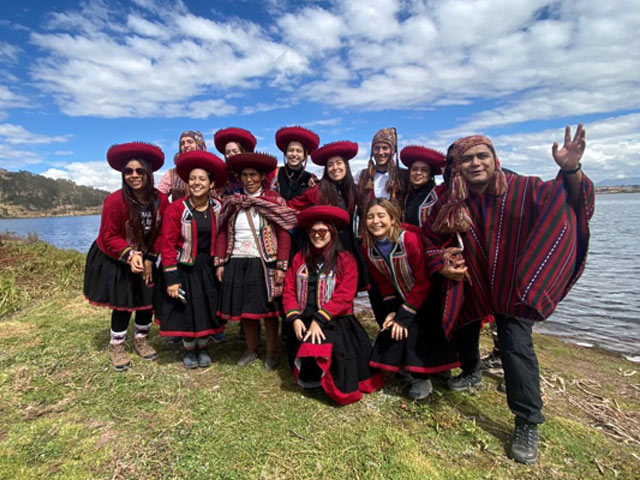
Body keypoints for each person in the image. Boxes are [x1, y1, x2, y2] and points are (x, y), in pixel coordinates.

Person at [422, 125, 594, 464]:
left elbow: (571, 203)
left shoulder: (524, 188)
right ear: (457, 167)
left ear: (494, 159)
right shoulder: (450, 200)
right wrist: (442, 262)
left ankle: (527, 420)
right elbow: (430, 238)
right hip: (474, 281)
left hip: (516, 286)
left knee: (516, 347)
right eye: (467, 159)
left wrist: (571, 169)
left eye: (482, 156)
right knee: (463, 325)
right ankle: (471, 373)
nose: (475, 163)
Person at [283, 205, 384, 405]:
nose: (317, 236)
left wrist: (319, 319)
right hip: (303, 318)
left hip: (335, 319)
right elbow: (288, 290)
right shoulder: (299, 258)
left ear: (332, 233)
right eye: (313, 232)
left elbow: (345, 295)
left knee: (335, 356)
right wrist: (294, 318)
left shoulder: (345, 260)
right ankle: (311, 375)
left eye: (322, 231)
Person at [84, 142, 169, 371]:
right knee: (122, 302)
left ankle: (141, 339)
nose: (134, 175)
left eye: (140, 171)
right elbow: (109, 234)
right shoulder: (114, 201)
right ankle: (117, 345)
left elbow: (163, 232)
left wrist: (151, 258)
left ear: (149, 173)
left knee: (145, 299)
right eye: (129, 171)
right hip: (118, 256)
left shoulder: (160, 199)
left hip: (147, 254)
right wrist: (130, 254)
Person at [362, 199, 459, 400]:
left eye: (381, 216)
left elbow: (424, 281)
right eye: (370, 217)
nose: (375, 221)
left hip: (429, 295)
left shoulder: (409, 240)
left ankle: (425, 374)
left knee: (413, 328)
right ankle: (416, 373)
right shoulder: (368, 248)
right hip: (403, 296)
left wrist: (404, 315)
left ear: (392, 218)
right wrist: (391, 311)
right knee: (392, 331)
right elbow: (385, 283)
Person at [214, 152, 297, 370]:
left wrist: (281, 264)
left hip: (264, 262)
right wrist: (221, 261)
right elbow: (222, 232)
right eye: (244, 175)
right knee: (246, 311)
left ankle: (271, 352)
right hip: (238, 261)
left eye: (253, 175)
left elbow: (285, 233)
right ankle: (251, 349)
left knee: (268, 312)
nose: (249, 179)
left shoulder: (274, 201)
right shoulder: (233, 202)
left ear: (262, 177)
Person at [154, 150, 227, 368]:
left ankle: (203, 347)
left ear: (211, 183)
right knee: (186, 310)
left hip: (208, 267)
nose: (196, 183)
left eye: (202, 179)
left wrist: (221, 263)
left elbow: (224, 236)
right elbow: (167, 244)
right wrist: (172, 278)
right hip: (184, 267)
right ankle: (188, 349)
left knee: (205, 307)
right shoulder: (177, 209)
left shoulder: (219, 207)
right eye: (192, 179)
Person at [287, 141, 369, 291]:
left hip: (348, 247)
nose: (335, 168)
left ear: (346, 166)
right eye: (330, 165)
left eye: (339, 163)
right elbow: (290, 207)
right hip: (325, 250)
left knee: (347, 291)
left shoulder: (353, 190)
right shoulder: (316, 191)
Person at [400, 146, 446, 227]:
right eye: (414, 169)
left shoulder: (439, 194)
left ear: (430, 174)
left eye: (424, 170)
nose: (418, 173)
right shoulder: (407, 196)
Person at [272, 126, 319, 201]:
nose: (294, 154)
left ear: (304, 155)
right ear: (285, 153)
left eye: (299, 151)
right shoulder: (274, 173)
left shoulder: (310, 178)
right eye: (290, 150)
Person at [157, 131, 207, 201]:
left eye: (190, 142)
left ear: (199, 145)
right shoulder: (172, 174)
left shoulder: (211, 169)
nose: (186, 145)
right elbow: (159, 198)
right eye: (182, 143)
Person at [213, 127, 257, 194]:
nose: (231, 154)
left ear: (243, 152)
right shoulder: (225, 174)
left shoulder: (254, 169)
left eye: (235, 151)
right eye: (227, 152)